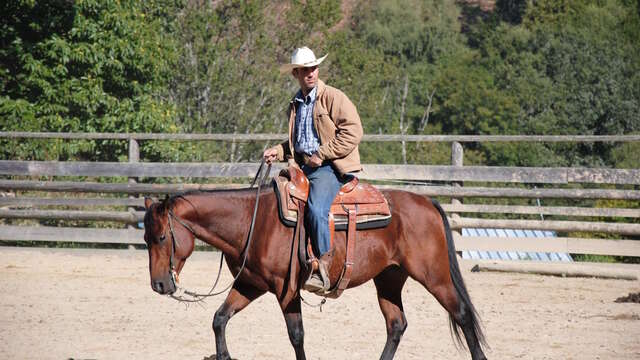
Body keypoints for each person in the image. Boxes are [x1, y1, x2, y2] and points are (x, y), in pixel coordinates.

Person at [263, 47, 363, 292]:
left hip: (331, 168)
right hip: (305, 166)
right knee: (276, 200)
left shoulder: (332, 97)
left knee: (317, 209)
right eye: (304, 70)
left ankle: (323, 267)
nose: (310, 73)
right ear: (295, 74)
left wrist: (323, 154)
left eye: (313, 68)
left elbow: (354, 132)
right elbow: (300, 143)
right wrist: (278, 150)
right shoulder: (296, 104)